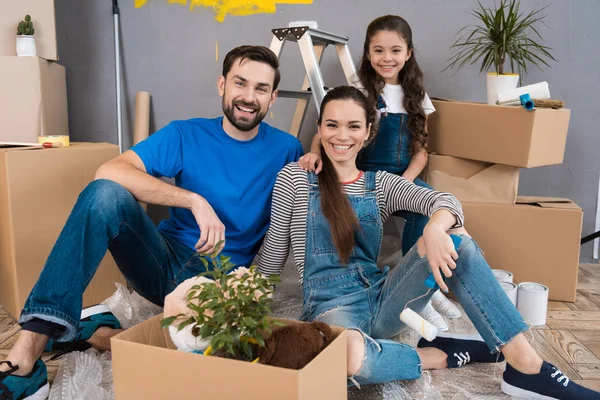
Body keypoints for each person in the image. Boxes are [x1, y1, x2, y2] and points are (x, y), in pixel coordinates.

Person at [0, 45, 303, 399]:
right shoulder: (185, 134)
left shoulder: (288, 149)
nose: (249, 97)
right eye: (240, 83)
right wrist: (194, 200)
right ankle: (29, 350)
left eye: (261, 89)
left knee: (215, 359)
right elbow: (109, 171)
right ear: (222, 85)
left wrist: (316, 159)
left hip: (219, 283)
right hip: (162, 262)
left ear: (273, 98)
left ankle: (94, 331)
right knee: (104, 194)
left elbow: (309, 193)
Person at [259, 85, 600, 399]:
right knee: (345, 358)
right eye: (332, 125)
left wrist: (434, 231)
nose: (341, 136)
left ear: (367, 133)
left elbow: (446, 201)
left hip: (384, 297)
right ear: (319, 129)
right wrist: (245, 302)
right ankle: (436, 355)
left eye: (353, 126)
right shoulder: (295, 178)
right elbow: (273, 254)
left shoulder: (381, 185)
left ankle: (527, 367)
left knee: (458, 243)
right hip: (332, 308)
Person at [298, 15, 459, 331]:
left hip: (401, 178)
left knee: (426, 211)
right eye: (379, 51)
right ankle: (371, 284)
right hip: (364, 175)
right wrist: (314, 155)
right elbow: (325, 134)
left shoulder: (417, 96)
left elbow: (422, 150)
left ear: (408, 53)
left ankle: (421, 281)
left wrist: (408, 180)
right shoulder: (358, 89)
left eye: (395, 50)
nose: (387, 58)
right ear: (368, 54)